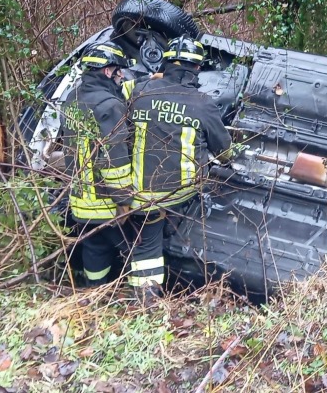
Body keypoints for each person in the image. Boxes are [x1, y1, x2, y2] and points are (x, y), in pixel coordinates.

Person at [123, 36, 232, 303]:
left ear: (166, 62)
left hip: (139, 190)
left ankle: (142, 295)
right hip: (181, 193)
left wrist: (153, 78)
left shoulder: (141, 91)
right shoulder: (202, 103)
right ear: (197, 68)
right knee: (148, 248)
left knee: (145, 239)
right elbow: (225, 152)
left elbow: (120, 91)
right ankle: (146, 300)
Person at [61, 40, 134, 288]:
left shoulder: (70, 99)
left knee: (94, 248)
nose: (121, 75)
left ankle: (96, 292)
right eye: (118, 70)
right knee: (134, 247)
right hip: (107, 202)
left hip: (81, 202)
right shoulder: (110, 106)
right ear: (106, 71)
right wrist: (124, 201)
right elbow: (115, 161)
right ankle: (135, 296)